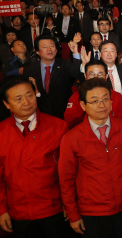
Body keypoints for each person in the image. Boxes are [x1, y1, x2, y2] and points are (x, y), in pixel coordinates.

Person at [58, 78, 122, 237]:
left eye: (105, 99)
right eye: (95, 101)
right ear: (83, 105)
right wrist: (73, 214)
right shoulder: (71, 138)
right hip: (92, 212)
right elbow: (66, 180)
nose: (102, 105)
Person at [0, 76, 69, 237]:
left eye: (29, 95)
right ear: (7, 104)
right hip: (18, 212)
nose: (26, 102)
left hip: (54, 208)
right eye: (18, 98)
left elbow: (68, 172)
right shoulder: (2, 133)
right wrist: (2, 209)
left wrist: (70, 204)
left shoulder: (58, 127)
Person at [23, 35, 84, 119]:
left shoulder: (65, 64)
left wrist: (75, 53)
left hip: (63, 113)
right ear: (37, 51)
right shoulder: (29, 69)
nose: (49, 49)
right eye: (45, 47)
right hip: (40, 115)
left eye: (52, 46)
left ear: (56, 49)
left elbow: (76, 74)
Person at [64, 59, 122, 129]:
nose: (96, 78)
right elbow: (69, 122)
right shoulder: (76, 97)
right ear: (85, 76)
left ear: (106, 77)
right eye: (92, 74)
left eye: (100, 74)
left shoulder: (117, 96)